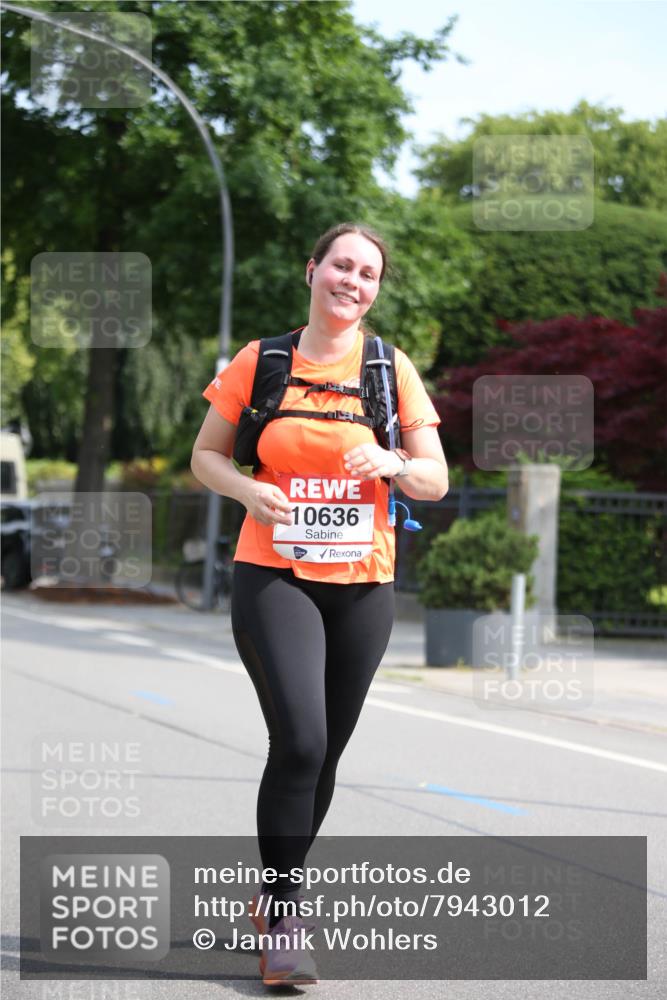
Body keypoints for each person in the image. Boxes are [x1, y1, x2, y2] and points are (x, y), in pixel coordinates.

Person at [191, 222, 448, 986]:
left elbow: (433, 477)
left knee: (326, 751)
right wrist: (248, 489)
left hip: (364, 584)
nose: (352, 281)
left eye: (367, 273)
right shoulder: (262, 361)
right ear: (313, 271)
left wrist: (397, 459)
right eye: (341, 265)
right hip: (274, 574)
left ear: (374, 289)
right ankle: (290, 917)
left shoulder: (388, 368)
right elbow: (206, 455)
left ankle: (273, 899)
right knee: (300, 741)